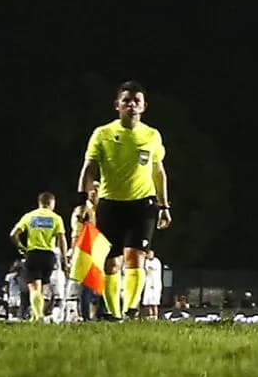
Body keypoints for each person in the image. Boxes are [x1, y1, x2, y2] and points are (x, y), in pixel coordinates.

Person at [79, 80, 171, 319]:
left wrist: (164, 206)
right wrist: (83, 200)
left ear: (144, 106)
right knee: (111, 262)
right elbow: (89, 167)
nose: (131, 105)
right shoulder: (103, 134)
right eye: (126, 101)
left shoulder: (151, 135)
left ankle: (130, 310)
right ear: (117, 105)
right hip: (110, 204)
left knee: (135, 257)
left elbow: (158, 172)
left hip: (143, 204)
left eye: (136, 101)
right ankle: (113, 312)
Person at [9, 192, 70, 322]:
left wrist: (21, 247)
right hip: (49, 256)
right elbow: (62, 239)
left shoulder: (30, 216)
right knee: (41, 289)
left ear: (40, 202)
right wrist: (64, 259)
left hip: (33, 254)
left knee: (33, 288)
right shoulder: (56, 218)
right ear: (52, 203)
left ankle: (38, 317)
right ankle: (35, 316)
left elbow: (13, 234)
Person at [141, 249, 162, 318]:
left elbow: (151, 269)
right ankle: (149, 316)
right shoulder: (146, 261)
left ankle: (155, 316)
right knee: (147, 302)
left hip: (155, 284)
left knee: (154, 302)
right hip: (148, 284)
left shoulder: (156, 261)